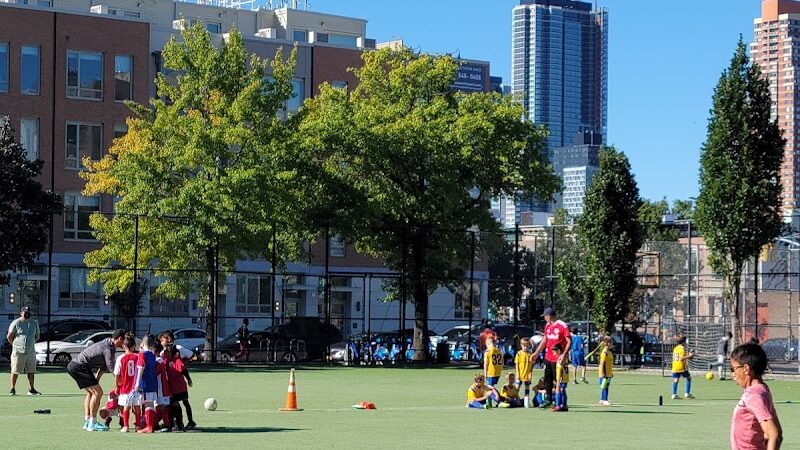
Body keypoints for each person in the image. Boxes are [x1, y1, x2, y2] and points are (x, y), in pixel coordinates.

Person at [67, 328, 126, 431]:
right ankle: (92, 423)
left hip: (75, 366)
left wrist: (96, 380)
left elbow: (103, 367)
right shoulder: (108, 348)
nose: (126, 342)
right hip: (80, 366)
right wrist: (121, 383)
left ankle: (87, 421)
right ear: (120, 339)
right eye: (125, 340)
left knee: (91, 393)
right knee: (98, 392)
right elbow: (112, 369)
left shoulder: (109, 344)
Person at [730, 342, 782, 450]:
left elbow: (773, 435)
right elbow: (777, 433)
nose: (733, 374)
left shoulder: (754, 396)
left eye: (733, 369)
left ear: (746, 369)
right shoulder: (762, 390)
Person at [531, 307, 571, 408]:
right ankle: (549, 399)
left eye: (545, 316)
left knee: (558, 381)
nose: (544, 318)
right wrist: (536, 353)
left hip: (558, 359)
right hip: (548, 357)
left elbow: (569, 341)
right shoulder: (548, 326)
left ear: (549, 316)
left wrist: (564, 354)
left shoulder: (562, 325)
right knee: (547, 379)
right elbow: (545, 340)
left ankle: (561, 404)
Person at [7, 305, 40, 396]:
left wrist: (30, 343)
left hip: (30, 352)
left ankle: (31, 389)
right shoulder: (16, 323)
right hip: (18, 352)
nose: (27, 314)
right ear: (21, 313)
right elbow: (9, 336)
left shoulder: (34, 323)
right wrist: (15, 345)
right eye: (25, 312)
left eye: (28, 312)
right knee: (15, 370)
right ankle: (12, 389)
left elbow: (37, 336)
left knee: (31, 371)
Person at [113, 332, 140, 432]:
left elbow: (116, 374)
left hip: (125, 387)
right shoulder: (138, 357)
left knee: (126, 407)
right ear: (134, 346)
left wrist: (117, 386)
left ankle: (126, 426)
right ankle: (138, 426)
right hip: (136, 387)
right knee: (137, 407)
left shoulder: (120, 358)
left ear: (123, 346)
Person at [133, 334, 159, 433]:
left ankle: (149, 426)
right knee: (151, 403)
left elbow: (141, 368)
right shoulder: (152, 355)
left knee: (147, 403)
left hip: (145, 383)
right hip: (153, 383)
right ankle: (150, 425)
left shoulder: (142, 355)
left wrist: (137, 383)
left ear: (142, 344)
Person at [165, 344, 194, 431]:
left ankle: (189, 421)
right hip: (174, 387)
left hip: (179, 387)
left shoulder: (176, 361)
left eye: (167, 351)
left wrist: (189, 380)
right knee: (175, 405)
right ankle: (177, 423)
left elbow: (184, 370)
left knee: (183, 403)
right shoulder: (167, 360)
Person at [671, 334, 695, 400]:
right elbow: (682, 358)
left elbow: (680, 356)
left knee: (676, 379)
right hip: (681, 366)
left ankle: (674, 394)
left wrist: (690, 355)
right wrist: (690, 355)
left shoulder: (675, 348)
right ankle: (687, 393)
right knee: (688, 378)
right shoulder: (682, 348)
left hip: (675, 366)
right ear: (683, 342)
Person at [514, 337, 533, 407]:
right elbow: (516, 365)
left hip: (527, 375)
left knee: (527, 387)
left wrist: (531, 373)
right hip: (520, 375)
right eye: (524, 346)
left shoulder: (530, 354)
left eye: (527, 346)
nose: (525, 347)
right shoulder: (519, 354)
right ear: (521, 345)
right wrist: (517, 374)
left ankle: (526, 402)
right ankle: (515, 400)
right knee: (517, 388)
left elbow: (532, 365)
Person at [551, 344, 569, 412]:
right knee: (562, 390)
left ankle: (558, 405)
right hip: (564, 377)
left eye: (554, 351)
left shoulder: (562, 357)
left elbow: (561, 368)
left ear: (558, 350)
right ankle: (564, 405)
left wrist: (559, 378)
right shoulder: (563, 356)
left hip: (561, 377)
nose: (553, 353)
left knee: (558, 390)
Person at [598, 336, 614, 406]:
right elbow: (602, 363)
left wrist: (611, 372)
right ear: (607, 343)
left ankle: (602, 399)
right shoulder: (604, 352)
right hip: (604, 374)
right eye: (611, 343)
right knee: (605, 386)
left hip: (609, 373)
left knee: (606, 386)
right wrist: (604, 373)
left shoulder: (609, 352)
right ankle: (605, 399)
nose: (612, 344)